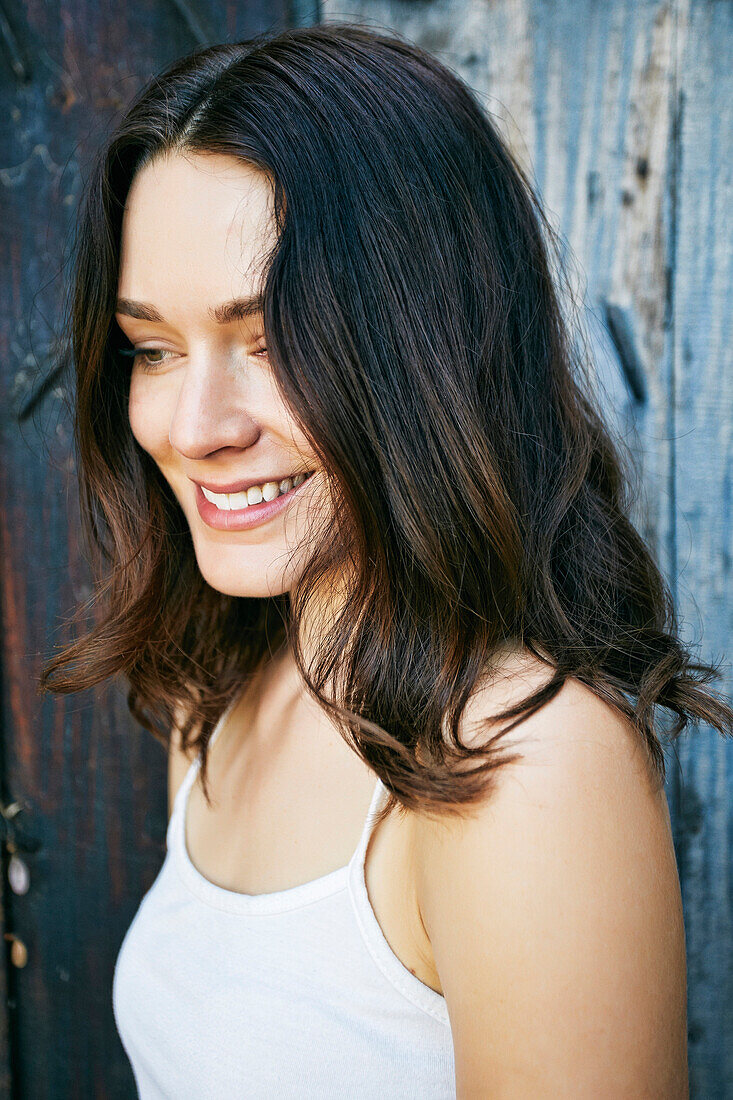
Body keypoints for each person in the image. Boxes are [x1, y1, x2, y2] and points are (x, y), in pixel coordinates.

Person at [39, 21, 732, 1098]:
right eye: (154, 349)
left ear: (427, 341)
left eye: (271, 339)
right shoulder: (219, 690)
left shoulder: (522, 766)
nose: (194, 424)